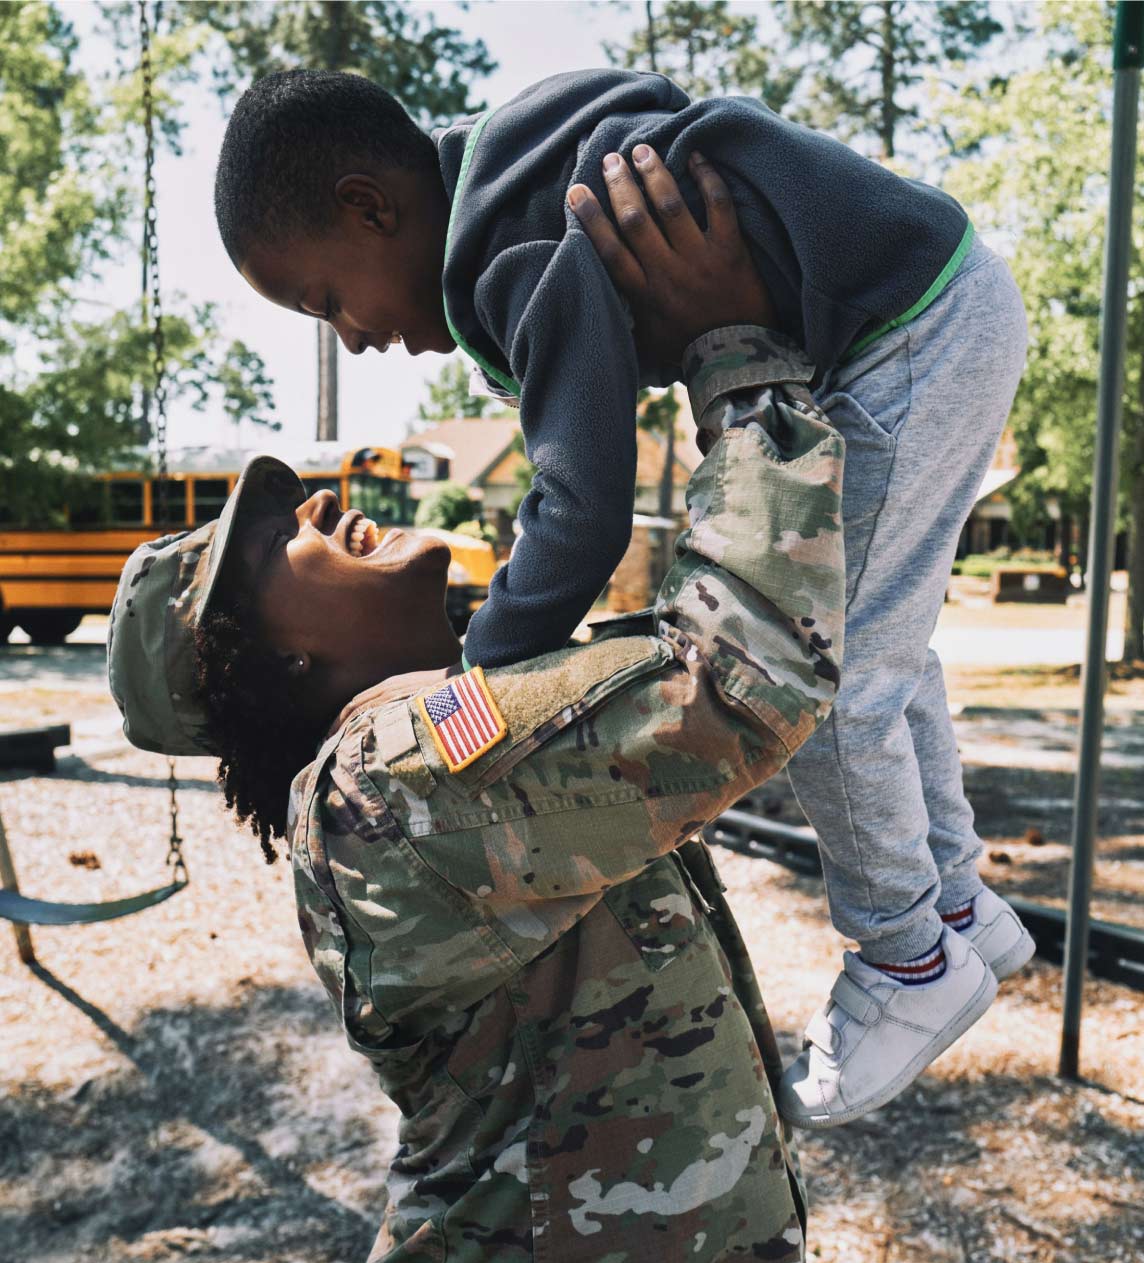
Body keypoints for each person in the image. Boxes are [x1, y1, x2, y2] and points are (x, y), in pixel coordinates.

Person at [212, 67, 1032, 1127]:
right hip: (935, 303)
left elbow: (580, 509)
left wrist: (484, 667)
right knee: (888, 644)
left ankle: (908, 957)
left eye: (327, 301)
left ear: (370, 206)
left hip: (896, 342)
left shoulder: (502, 256)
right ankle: (960, 900)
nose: (353, 337)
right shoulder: (516, 164)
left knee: (835, 677)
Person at [108, 170, 845, 1263]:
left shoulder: (437, 738)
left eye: (281, 499)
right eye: (269, 543)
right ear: (273, 666)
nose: (308, 505)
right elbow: (743, 680)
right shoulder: (385, 785)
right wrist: (730, 350)